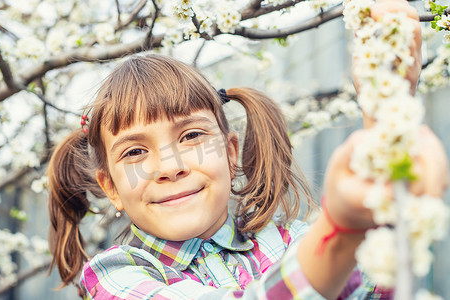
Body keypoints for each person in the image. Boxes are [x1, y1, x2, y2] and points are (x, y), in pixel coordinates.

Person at [46, 1, 448, 299]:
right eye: (134, 152)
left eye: (191, 136)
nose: (169, 166)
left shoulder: (291, 242)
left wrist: (385, 113)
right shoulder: (113, 275)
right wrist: (339, 231)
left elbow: (381, 285)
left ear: (230, 152)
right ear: (110, 186)